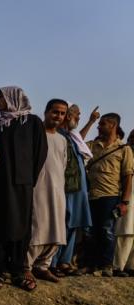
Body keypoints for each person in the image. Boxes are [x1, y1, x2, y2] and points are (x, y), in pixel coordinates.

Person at [0, 86, 48, 289]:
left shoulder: (32, 123)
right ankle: (0, 270)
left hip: (21, 185)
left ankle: (19, 270)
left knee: (19, 225)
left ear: (12, 98)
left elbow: (40, 153)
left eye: (0, 98)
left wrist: (28, 179)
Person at [27, 100, 70, 283]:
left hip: (57, 190)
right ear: (46, 112)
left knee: (56, 228)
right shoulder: (34, 135)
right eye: (55, 112)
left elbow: (63, 165)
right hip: (38, 188)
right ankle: (26, 266)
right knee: (38, 227)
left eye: (61, 114)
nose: (58, 116)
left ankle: (43, 266)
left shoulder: (62, 140)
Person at [85, 112, 134, 274]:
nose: (99, 127)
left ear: (113, 126)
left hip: (110, 196)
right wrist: (91, 121)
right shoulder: (92, 145)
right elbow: (76, 141)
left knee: (106, 231)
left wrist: (124, 202)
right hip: (90, 195)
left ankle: (106, 266)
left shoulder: (124, 149)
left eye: (102, 124)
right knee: (90, 231)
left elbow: (128, 177)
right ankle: (90, 264)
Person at [52, 104, 93, 275]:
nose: (79, 118)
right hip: (65, 187)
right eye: (77, 115)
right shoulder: (59, 135)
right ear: (69, 116)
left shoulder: (71, 136)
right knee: (61, 223)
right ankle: (52, 262)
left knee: (73, 224)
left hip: (78, 189)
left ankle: (65, 262)